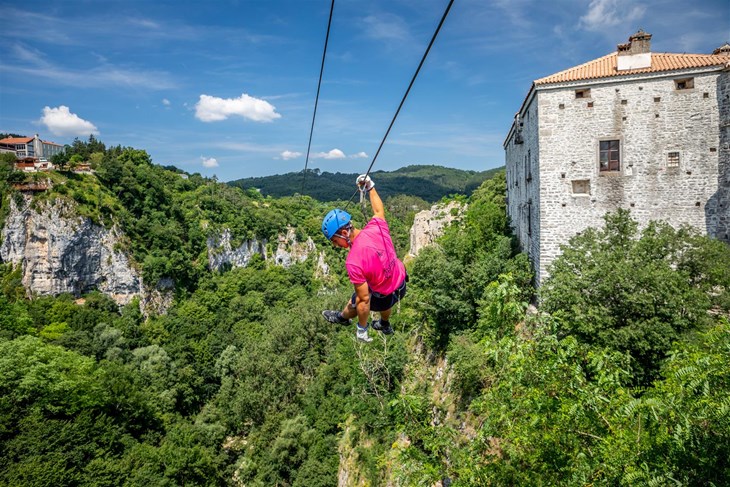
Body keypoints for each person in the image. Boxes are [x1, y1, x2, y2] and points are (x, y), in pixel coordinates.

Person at [321, 175, 408, 342]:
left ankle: (342, 317)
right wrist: (370, 186)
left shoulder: (354, 261)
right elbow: (378, 210)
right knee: (385, 299)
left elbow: (364, 300)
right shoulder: (376, 227)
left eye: (334, 240)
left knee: (356, 300)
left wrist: (362, 327)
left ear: (344, 233)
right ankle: (384, 323)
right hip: (401, 284)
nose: (335, 245)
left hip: (385, 294)